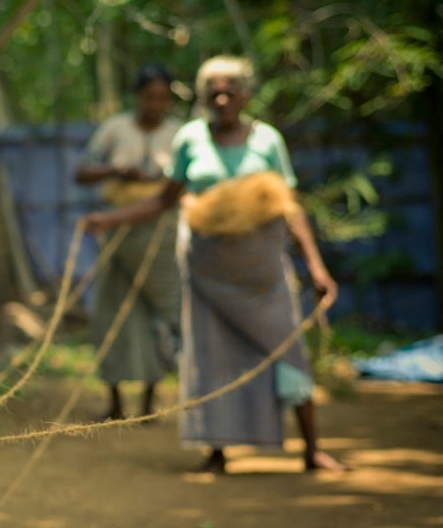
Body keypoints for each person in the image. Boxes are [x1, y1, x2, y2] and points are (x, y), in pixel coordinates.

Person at [83, 55, 349, 472]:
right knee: (211, 357)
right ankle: (217, 452)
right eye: (213, 91)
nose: (221, 98)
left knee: (288, 351)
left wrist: (317, 268)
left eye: (230, 90)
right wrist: (109, 220)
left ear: (245, 95)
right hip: (207, 271)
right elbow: (163, 200)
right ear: (204, 96)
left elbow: (290, 207)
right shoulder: (190, 138)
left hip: (262, 273)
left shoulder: (268, 140)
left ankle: (312, 449)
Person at [75, 63, 183, 421]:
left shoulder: (180, 133)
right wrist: (116, 170)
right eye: (149, 96)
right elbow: (82, 172)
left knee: (167, 310)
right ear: (137, 96)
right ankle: (116, 403)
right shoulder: (115, 128)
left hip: (162, 231)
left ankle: (151, 401)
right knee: (111, 309)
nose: (155, 104)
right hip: (116, 228)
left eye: (162, 98)